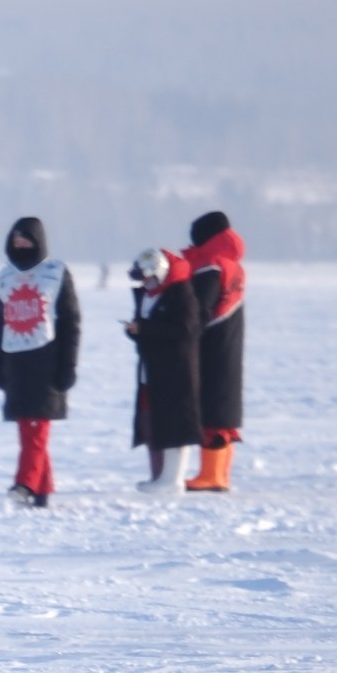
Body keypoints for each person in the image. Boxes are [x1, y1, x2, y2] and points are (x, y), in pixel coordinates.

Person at [0, 216, 80, 509]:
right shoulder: (5, 277)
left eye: (26, 240)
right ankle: (43, 488)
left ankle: (25, 484)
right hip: (16, 363)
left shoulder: (55, 274)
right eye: (16, 240)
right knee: (27, 429)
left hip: (47, 363)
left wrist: (68, 366)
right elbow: (0, 325)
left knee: (36, 428)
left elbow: (70, 322)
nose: (21, 245)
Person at [124, 247, 202, 494]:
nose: (144, 283)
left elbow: (186, 329)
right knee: (152, 420)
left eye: (147, 277)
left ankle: (172, 480)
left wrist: (145, 329)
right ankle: (159, 477)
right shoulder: (146, 296)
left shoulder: (181, 293)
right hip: (151, 370)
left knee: (175, 424)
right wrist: (135, 332)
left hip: (176, 370)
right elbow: (149, 329)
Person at [180, 210, 246, 491]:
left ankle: (211, 476)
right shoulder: (232, 265)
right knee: (223, 411)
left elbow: (201, 309)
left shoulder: (211, 265)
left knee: (212, 412)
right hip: (229, 344)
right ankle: (220, 474)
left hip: (211, 347)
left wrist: (184, 330)